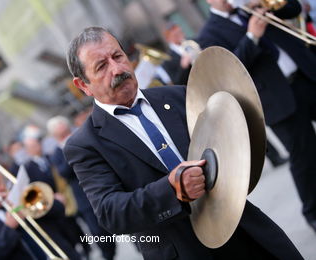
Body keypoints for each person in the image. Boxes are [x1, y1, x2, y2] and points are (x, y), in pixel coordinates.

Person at [63, 26, 303, 259]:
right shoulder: (84, 145)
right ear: (83, 85)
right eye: (102, 66)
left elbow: (228, 143)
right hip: (183, 250)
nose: (117, 69)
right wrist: (172, 189)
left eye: (118, 56)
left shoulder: (179, 95)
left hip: (245, 229)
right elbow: (110, 212)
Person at [196, 0, 316, 232]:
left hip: (305, 77)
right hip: (277, 99)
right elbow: (228, 70)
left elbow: (294, 9)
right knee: (305, 155)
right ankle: (312, 211)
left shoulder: (252, 6)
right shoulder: (208, 34)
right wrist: (251, 36)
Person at [47, 116, 117, 260]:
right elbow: (63, 172)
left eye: (64, 127)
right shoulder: (57, 153)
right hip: (83, 198)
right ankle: (108, 255)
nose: (63, 131)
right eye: (59, 130)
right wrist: (71, 149)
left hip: (102, 185)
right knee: (98, 232)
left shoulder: (81, 138)